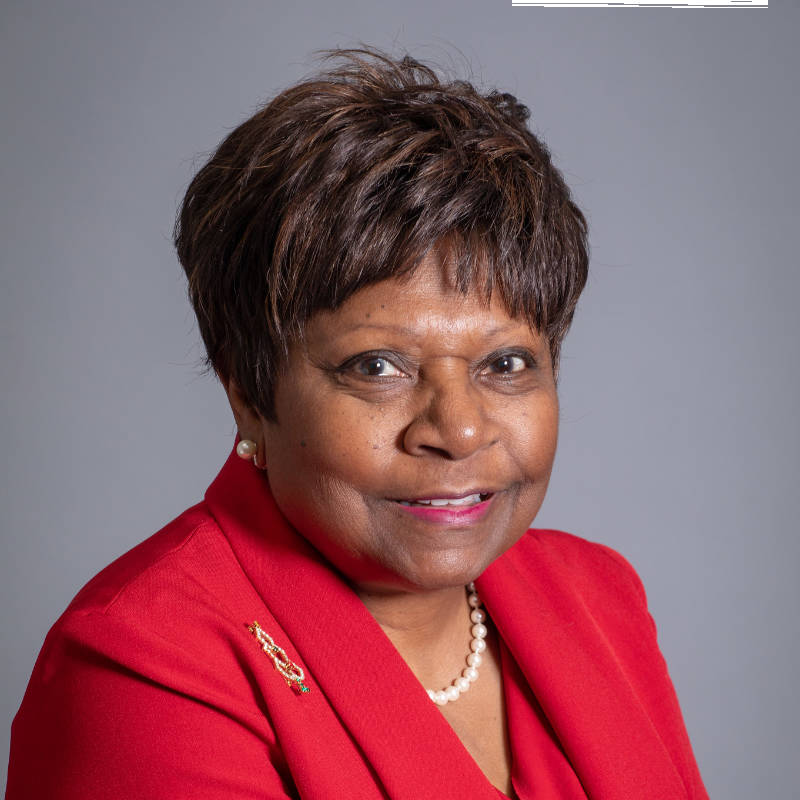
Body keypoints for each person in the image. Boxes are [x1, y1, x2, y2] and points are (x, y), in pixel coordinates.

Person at [6, 48, 708, 799]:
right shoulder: (143, 669)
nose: (459, 431)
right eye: (377, 366)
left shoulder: (596, 599)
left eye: (505, 363)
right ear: (248, 391)